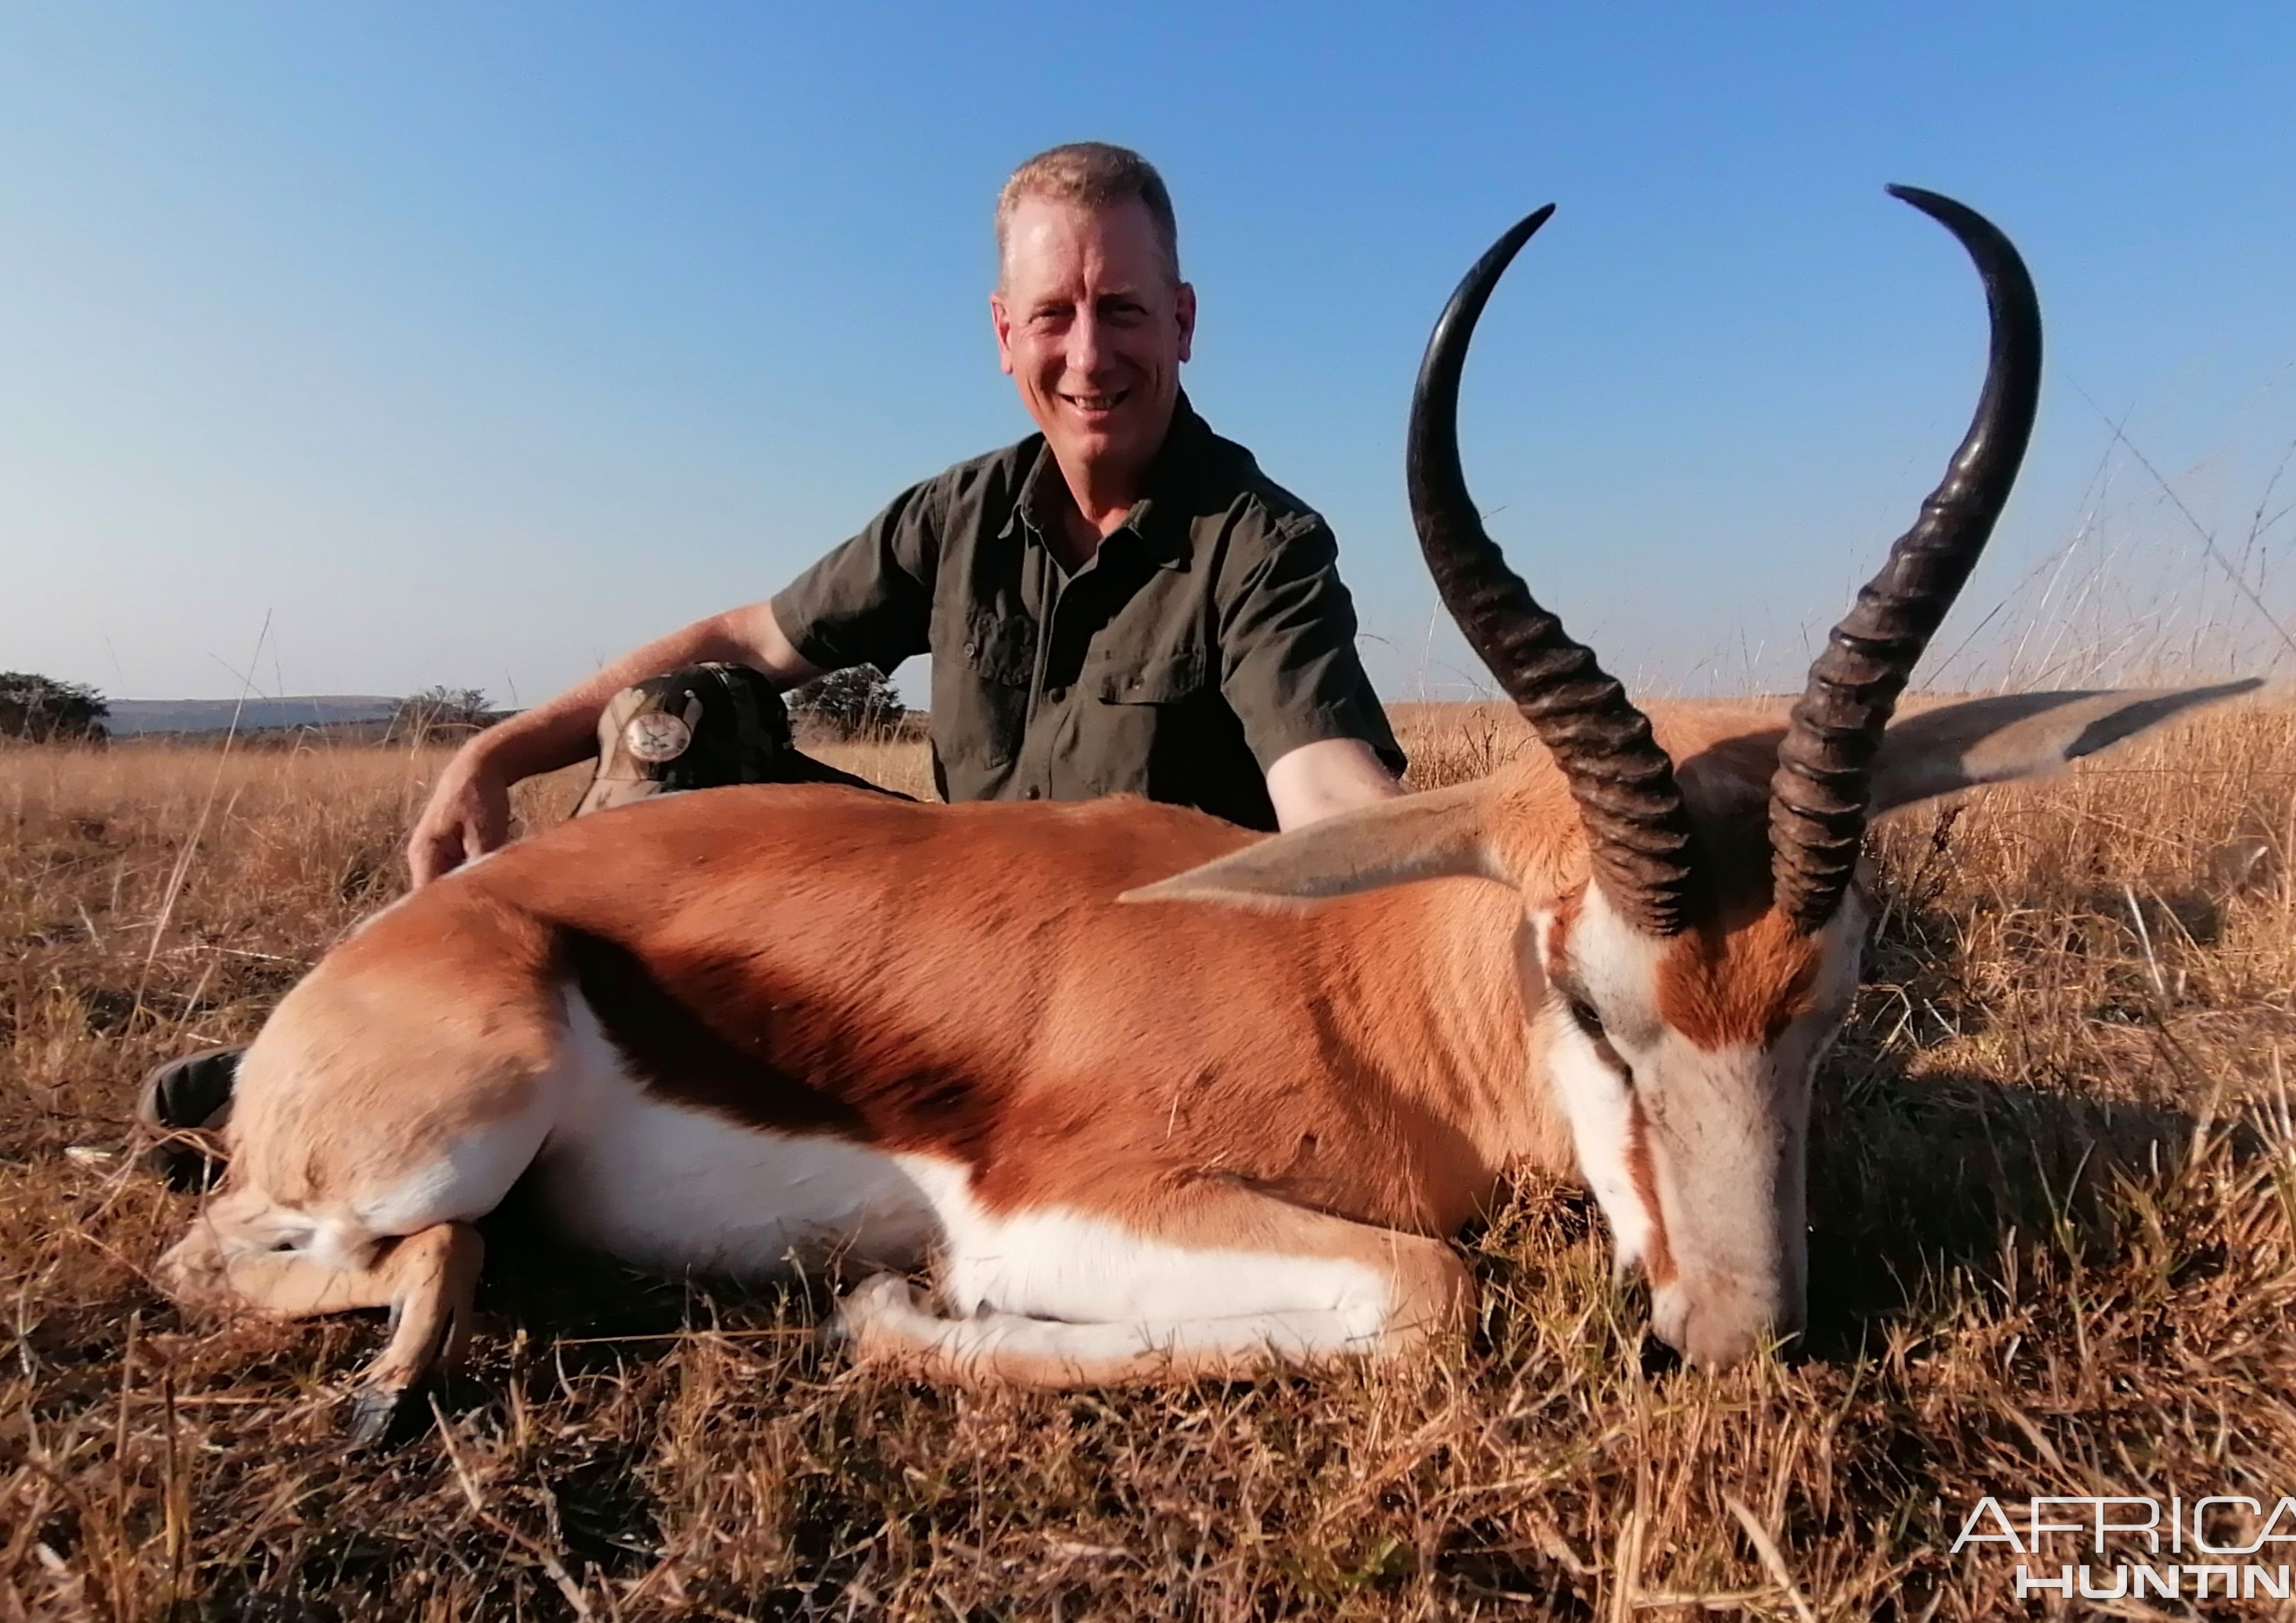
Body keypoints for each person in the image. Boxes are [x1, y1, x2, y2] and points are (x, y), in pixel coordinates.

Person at [139, 142, 1408, 1162]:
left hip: (1138, 990)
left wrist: (1459, 879)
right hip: (955, 940)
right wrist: (503, 748)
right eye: (1053, 314)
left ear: (1183, 321)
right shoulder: (955, 514)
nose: (1089, 353)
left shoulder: (1263, 542)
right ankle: (364, 1055)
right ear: (1002, 333)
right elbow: (750, 641)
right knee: (683, 722)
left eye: (1123, 309)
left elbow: (1326, 789)